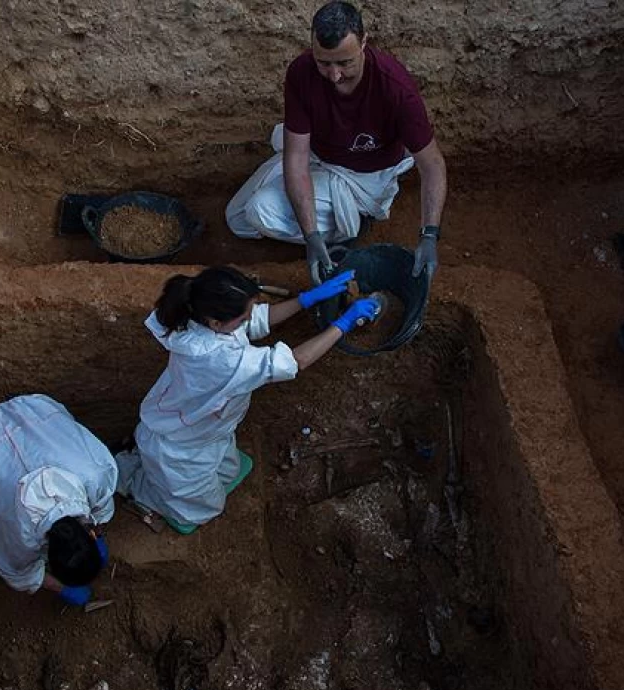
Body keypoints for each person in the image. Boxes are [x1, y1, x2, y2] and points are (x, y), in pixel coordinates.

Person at [116, 266, 379, 533]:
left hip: (204, 428)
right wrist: (343, 324)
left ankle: (146, 461)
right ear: (216, 323)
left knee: (229, 471)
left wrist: (306, 299)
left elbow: (255, 321)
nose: (249, 320)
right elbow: (296, 360)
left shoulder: (196, 317)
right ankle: (134, 484)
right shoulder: (221, 360)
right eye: (243, 317)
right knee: (200, 511)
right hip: (180, 446)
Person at [225, 1, 448, 283]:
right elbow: (296, 157)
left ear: (364, 43)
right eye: (324, 63)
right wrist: (311, 237)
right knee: (238, 219)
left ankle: (353, 223)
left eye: (344, 63)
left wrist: (429, 235)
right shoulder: (302, 72)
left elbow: (433, 165)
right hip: (320, 156)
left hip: (364, 175)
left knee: (260, 210)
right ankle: (327, 230)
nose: (334, 75)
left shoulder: (394, 88)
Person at [0, 394, 116, 607]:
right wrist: (61, 588)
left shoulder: (94, 476)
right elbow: (19, 573)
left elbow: (101, 505)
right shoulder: (17, 537)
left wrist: (96, 533)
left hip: (30, 411)